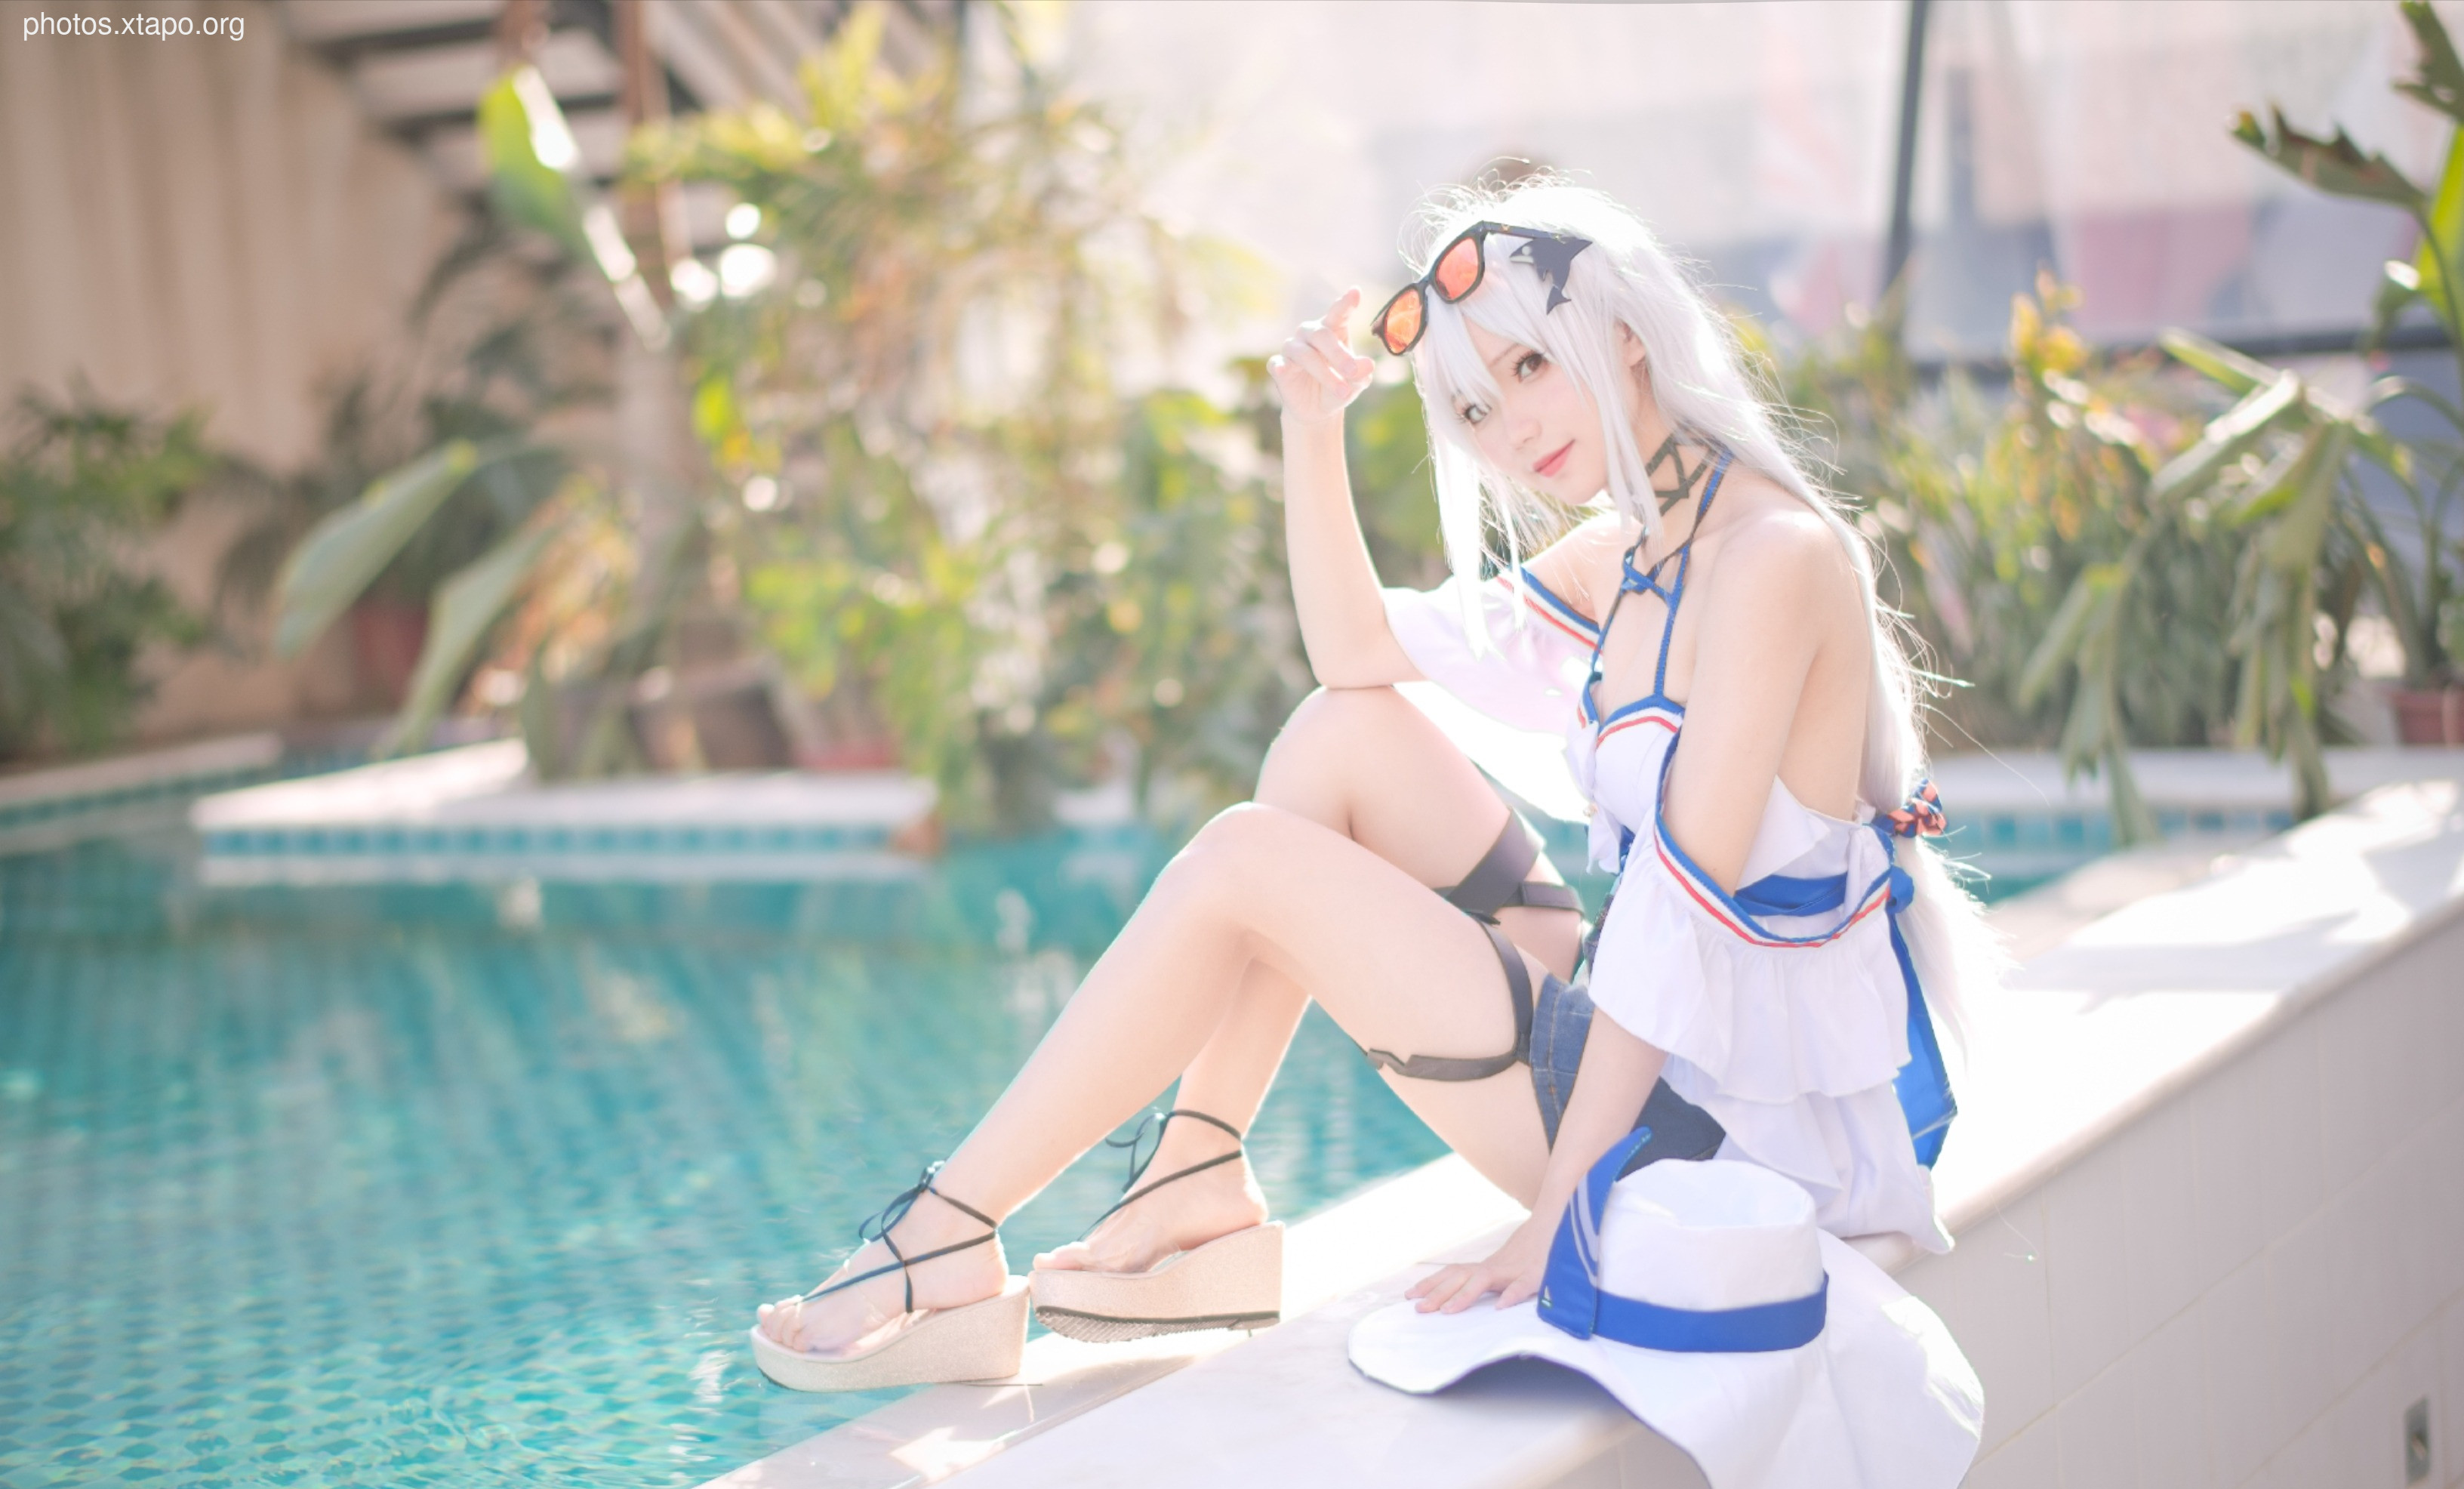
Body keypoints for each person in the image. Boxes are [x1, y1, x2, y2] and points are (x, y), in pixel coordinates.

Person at [749, 180, 1997, 1391]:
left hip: (1720, 1139)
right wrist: (1310, 425)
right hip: (1653, 1040)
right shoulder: (1634, 547)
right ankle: (1198, 1175)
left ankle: (951, 1231)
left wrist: (1559, 1216)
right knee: (1335, 736)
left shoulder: (1770, 558)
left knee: (1246, 859)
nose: (1511, 428)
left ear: (1621, 336)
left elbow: (1678, 922)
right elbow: (1355, 660)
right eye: (1473, 405)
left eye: (1528, 368)